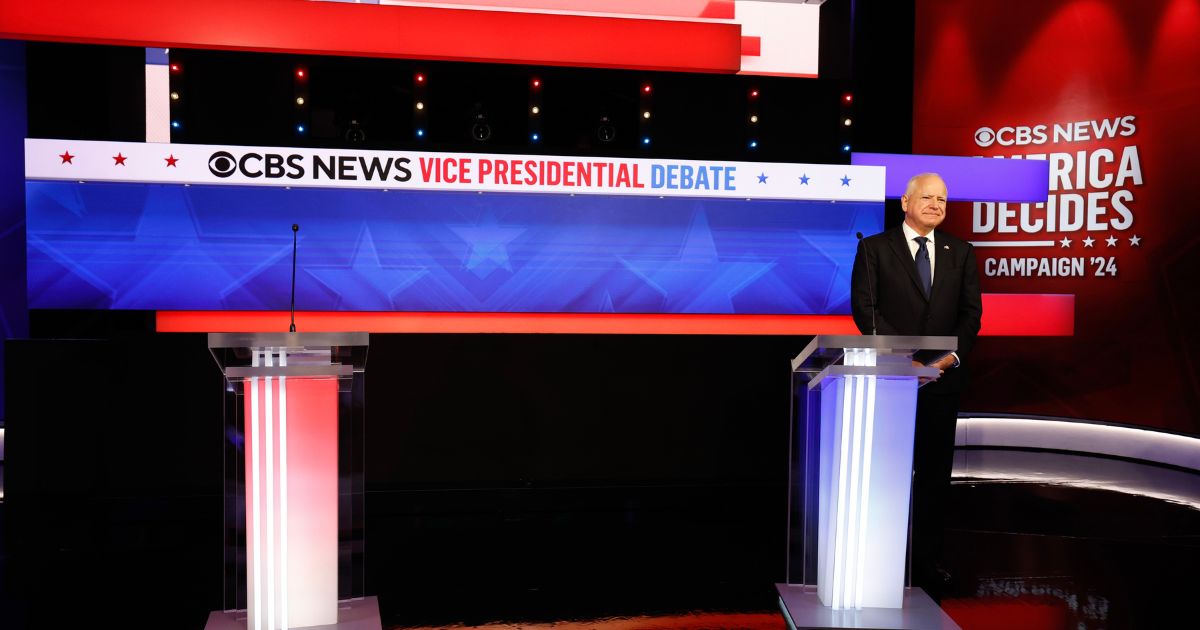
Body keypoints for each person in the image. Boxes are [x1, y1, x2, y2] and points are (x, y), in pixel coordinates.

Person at [850, 172, 983, 599]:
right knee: (887, 475)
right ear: (906, 201)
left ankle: (926, 562)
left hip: (941, 381)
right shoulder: (873, 249)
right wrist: (902, 359)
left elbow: (970, 316)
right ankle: (880, 558)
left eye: (942, 199)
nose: (936, 204)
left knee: (932, 477)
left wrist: (945, 360)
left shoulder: (961, 252)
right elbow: (865, 311)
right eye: (927, 197)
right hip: (891, 379)